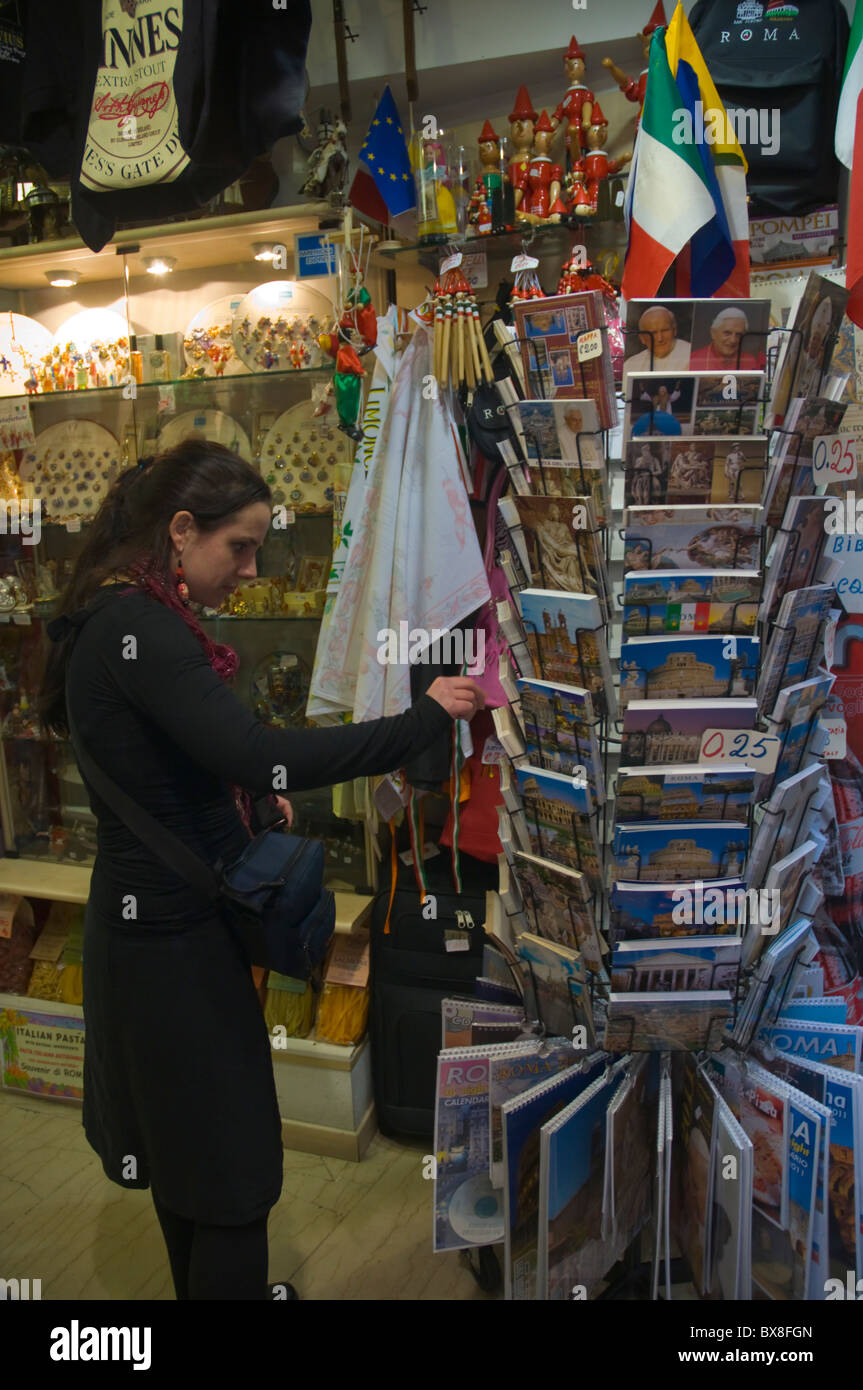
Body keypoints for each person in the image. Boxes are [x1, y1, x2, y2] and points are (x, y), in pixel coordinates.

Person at [38, 441, 484, 1302]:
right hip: (172, 953)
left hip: (143, 937)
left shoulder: (117, 613)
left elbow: (170, 762)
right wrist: (417, 722)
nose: (250, 570)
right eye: (238, 547)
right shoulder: (144, 629)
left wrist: (239, 801)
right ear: (180, 530)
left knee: (187, 1165)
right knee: (232, 1180)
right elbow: (253, 749)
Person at [624, 305, 691, 379]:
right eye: (653, 333)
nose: (660, 338)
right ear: (642, 338)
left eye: (665, 330)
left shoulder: (692, 356)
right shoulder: (630, 365)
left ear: (674, 330)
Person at [690, 307, 765, 370]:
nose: (733, 340)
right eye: (727, 333)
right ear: (713, 333)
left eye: (738, 335)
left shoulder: (751, 362)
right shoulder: (693, 360)